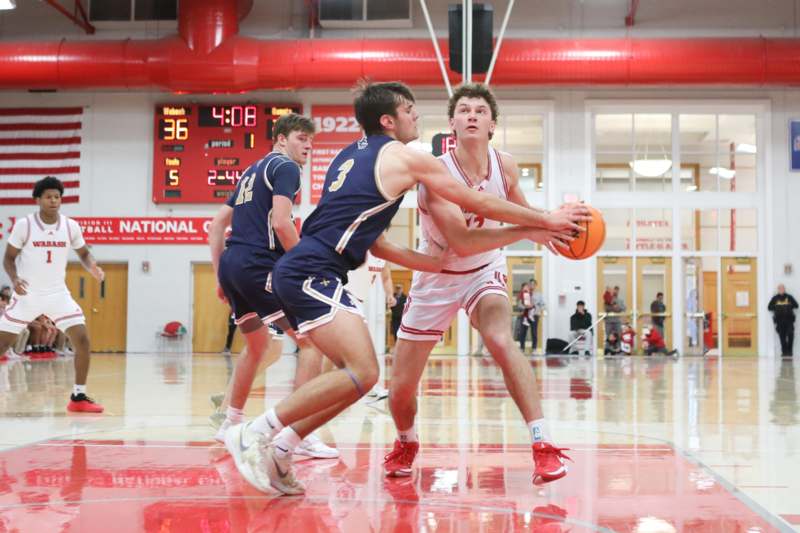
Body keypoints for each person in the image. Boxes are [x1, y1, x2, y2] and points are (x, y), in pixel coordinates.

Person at [225, 80, 588, 495]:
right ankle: (255, 432)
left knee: (364, 376)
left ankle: (281, 447)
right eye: (411, 110)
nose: (418, 116)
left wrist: (433, 259)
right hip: (319, 272)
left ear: (492, 125)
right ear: (390, 120)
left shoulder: (350, 157)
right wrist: (545, 221)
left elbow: (374, 241)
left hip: (350, 271)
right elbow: (475, 209)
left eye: (480, 111)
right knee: (371, 375)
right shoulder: (412, 161)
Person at [386, 83, 580, 486]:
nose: (471, 115)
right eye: (464, 110)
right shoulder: (435, 172)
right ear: (452, 124)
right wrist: (534, 228)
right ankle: (406, 440)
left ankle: (542, 444)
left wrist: (545, 224)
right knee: (401, 389)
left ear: (492, 125)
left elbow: (520, 210)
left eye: (479, 110)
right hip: (439, 273)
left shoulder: (505, 165)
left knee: (499, 338)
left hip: (484, 269)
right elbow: (462, 241)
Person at [208, 113, 337, 459]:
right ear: (281, 139)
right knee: (310, 341)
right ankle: (298, 432)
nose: (307, 145)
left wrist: (221, 275)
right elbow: (281, 223)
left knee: (258, 344)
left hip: (235, 265)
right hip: (257, 264)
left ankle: (229, 424)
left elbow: (217, 224)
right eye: (300, 137)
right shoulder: (285, 168)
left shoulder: (252, 170)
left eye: (311, 140)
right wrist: (306, 263)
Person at [0, 176, 104, 412]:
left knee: (83, 341)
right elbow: (8, 258)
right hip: (27, 294)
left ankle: (78, 397)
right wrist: (14, 279)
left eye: (57, 196)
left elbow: (84, 254)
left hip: (58, 294)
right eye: (48, 196)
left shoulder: (70, 226)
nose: (54, 200)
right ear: (38, 199)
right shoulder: (25, 225)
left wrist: (94, 267)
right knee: (3, 343)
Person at [343, 250, 395, 401]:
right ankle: (366, 387)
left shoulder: (382, 256)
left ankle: (367, 387)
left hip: (358, 301)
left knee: (355, 347)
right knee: (360, 345)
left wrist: (389, 294)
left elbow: (386, 278)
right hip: (345, 297)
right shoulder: (358, 247)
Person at [768, 284, 798, 357]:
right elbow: (769, 307)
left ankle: (790, 351)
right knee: (782, 337)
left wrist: (789, 305)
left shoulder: (789, 297)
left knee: (791, 334)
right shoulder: (775, 298)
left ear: (784, 289)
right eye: (780, 289)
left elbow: (796, 305)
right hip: (779, 321)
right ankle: (784, 352)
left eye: (782, 289)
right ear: (778, 290)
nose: (781, 290)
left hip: (789, 320)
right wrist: (777, 306)